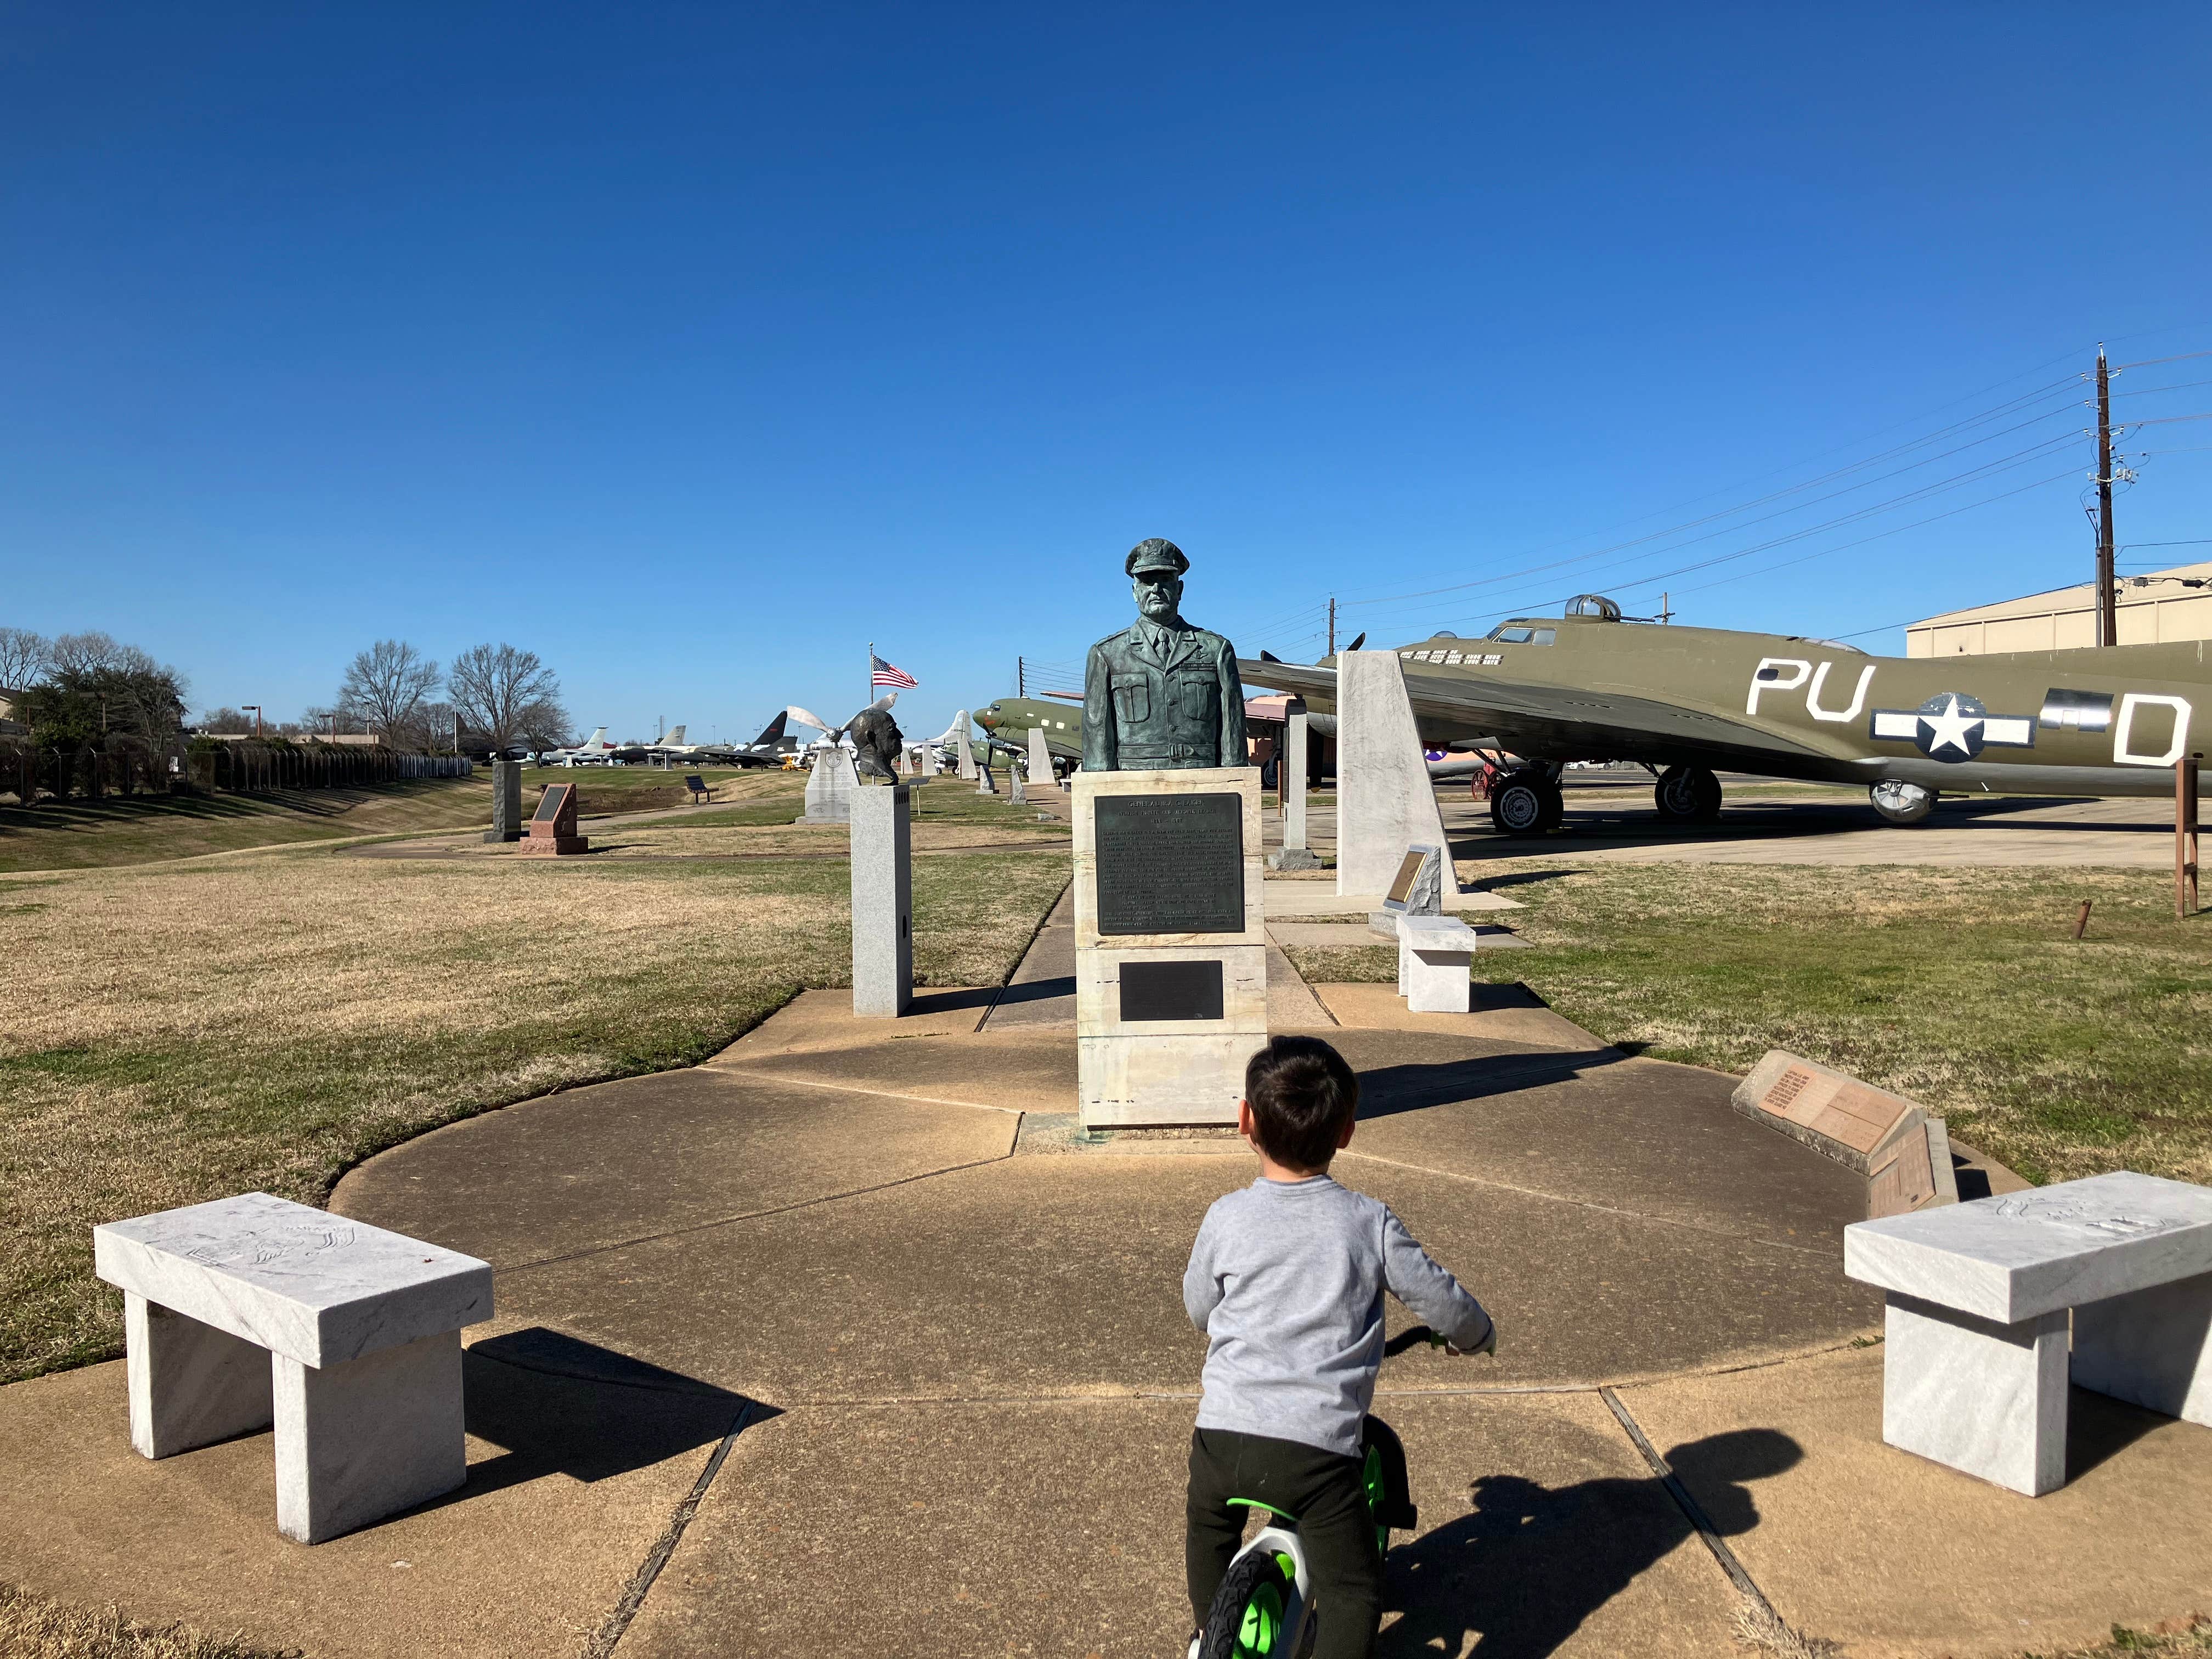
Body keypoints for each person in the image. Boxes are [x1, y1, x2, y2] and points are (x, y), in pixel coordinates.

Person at [1182, 1036, 1496, 1659]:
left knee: (1209, 1529)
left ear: (1245, 1120)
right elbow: (1439, 1300)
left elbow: (1199, 1310)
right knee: (1352, 1590)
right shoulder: (1368, 1223)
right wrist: (1477, 1335)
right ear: (1347, 1132)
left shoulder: (1226, 1216)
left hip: (1220, 1439)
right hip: (1316, 1458)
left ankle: (1205, 1633)